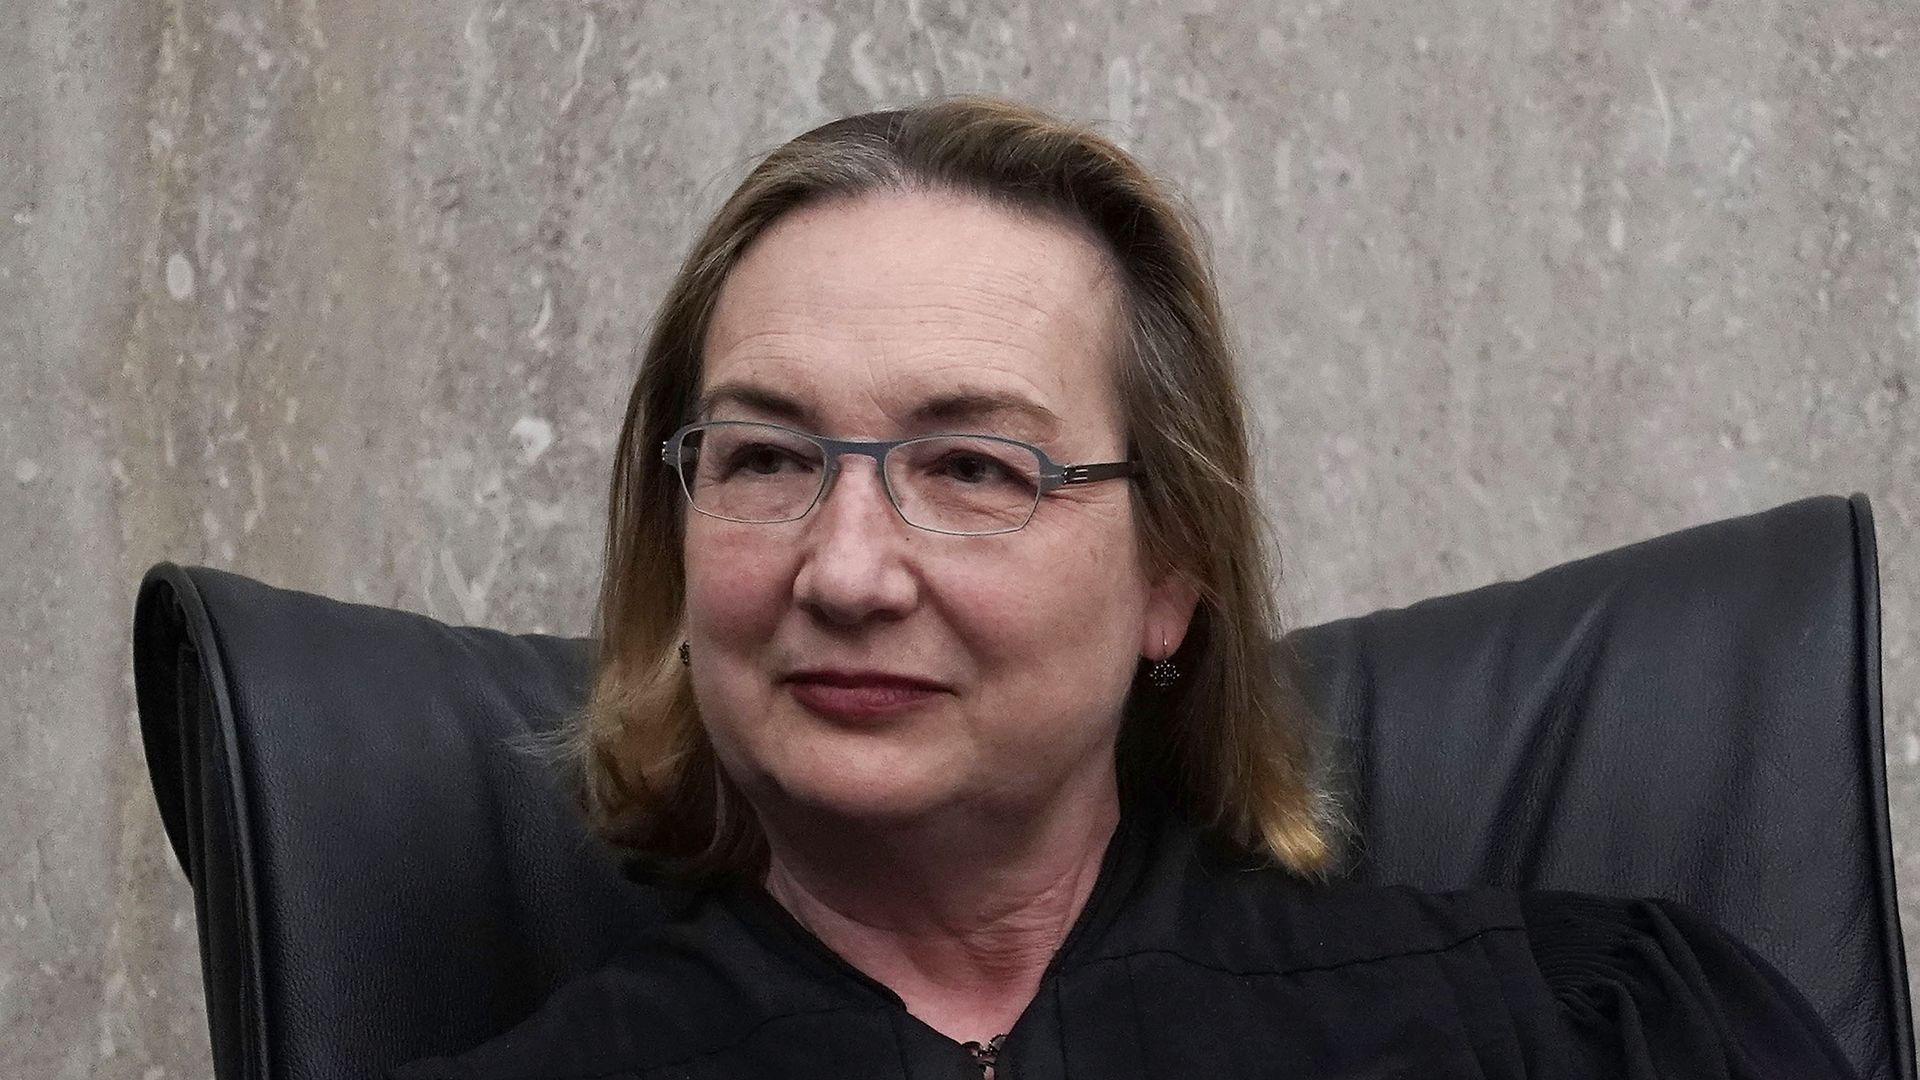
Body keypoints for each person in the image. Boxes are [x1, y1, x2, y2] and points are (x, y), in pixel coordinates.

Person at [392, 96, 1857, 1079]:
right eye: (769, 459)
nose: (843, 569)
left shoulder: (1577, 1029)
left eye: (974, 468)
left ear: (1174, 574)